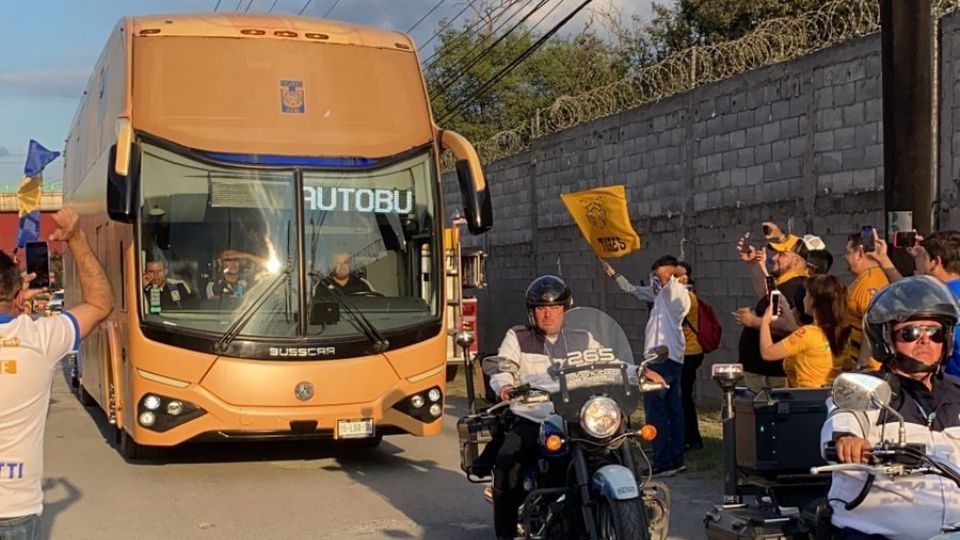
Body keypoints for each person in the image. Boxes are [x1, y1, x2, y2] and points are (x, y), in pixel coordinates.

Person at [485, 275, 663, 540]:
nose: (548, 314)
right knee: (508, 458)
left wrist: (638, 372)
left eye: (555, 307)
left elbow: (610, 364)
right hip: (538, 417)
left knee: (625, 444)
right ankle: (506, 531)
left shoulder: (583, 337)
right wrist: (505, 385)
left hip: (581, 416)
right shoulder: (519, 337)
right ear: (532, 312)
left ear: (565, 309)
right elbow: (503, 366)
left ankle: (636, 507)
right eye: (541, 308)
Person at [0, 208, 113, 539]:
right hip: (14, 509)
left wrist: (17, 304)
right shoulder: (40, 339)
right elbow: (100, 303)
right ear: (19, 295)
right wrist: (75, 237)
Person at [821, 276, 960, 539]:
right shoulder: (865, 389)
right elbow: (841, 419)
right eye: (911, 333)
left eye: (935, 332)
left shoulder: (957, 393)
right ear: (885, 337)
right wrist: (847, 441)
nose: (925, 340)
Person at [603, 255, 691, 477]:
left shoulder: (675, 292)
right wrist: (614, 274)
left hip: (662, 359)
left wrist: (673, 272)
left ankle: (663, 460)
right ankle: (675, 457)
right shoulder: (660, 294)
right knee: (673, 409)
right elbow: (632, 290)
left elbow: (674, 276)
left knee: (657, 410)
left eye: (657, 272)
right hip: (669, 357)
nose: (654, 276)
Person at [732, 233, 814, 392]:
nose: (774, 258)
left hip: (773, 374)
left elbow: (789, 326)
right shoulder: (784, 283)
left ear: (796, 260)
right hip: (763, 372)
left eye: (781, 254)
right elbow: (765, 294)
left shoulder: (798, 287)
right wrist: (753, 264)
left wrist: (752, 321)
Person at [759, 274, 850, 388]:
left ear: (814, 301)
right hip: (830, 395)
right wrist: (786, 309)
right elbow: (805, 343)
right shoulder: (842, 332)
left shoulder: (807, 333)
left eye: (806, 294)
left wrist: (765, 321)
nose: (804, 298)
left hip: (806, 396)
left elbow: (767, 353)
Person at [841, 231, 890, 371]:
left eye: (848, 252)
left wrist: (862, 365)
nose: (845, 257)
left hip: (870, 367)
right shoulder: (865, 279)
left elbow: (871, 327)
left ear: (860, 254)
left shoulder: (870, 283)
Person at [676, 261, 704, 451]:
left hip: (689, 352)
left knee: (683, 397)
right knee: (684, 396)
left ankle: (690, 438)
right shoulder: (687, 295)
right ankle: (690, 437)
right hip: (689, 351)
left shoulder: (686, 297)